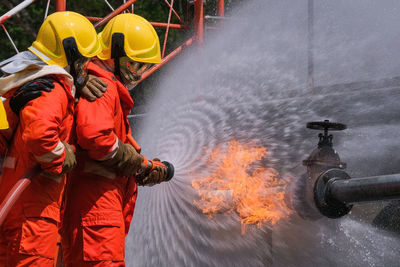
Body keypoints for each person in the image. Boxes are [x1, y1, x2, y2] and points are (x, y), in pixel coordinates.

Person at [60, 14, 169, 266]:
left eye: (143, 67)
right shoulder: (104, 87)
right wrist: (134, 161)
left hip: (98, 204)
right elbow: (96, 136)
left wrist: (139, 164)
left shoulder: (101, 85)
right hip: (96, 206)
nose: (138, 74)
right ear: (115, 54)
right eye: (134, 64)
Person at [0, 11, 102, 266]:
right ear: (69, 54)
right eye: (82, 61)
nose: (84, 68)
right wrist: (62, 156)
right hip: (34, 215)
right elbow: (40, 137)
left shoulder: (25, 83)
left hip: (20, 206)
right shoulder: (52, 88)